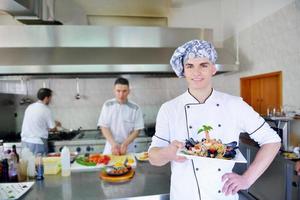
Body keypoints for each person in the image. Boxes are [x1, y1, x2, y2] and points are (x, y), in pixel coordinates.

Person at [148, 39, 281, 200]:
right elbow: (153, 157)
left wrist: (247, 179)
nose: (196, 72)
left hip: (223, 196)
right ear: (183, 70)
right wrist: (165, 153)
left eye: (203, 65)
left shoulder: (234, 105)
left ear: (213, 69)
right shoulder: (169, 109)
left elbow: (272, 140)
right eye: (190, 66)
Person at [97, 77, 144, 155]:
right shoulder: (107, 105)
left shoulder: (135, 108)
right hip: (111, 147)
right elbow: (104, 126)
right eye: (118, 91)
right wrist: (113, 144)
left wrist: (125, 144)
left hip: (127, 148)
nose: (121, 94)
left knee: (129, 167)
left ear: (129, 91)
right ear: (114, 91)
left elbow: (137, 130)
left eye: (124, 91)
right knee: (109, 167)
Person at [21, 88, 61, 155]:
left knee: (28, 164)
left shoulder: (30, 107)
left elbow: (37, 121)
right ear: (46, 98)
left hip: (25, 142)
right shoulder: (46, 109)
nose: (51, 100)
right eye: (50, 98)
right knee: (39, 164)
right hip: (37, 143)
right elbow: (53, 128)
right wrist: (56, 125)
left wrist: (53, 123)